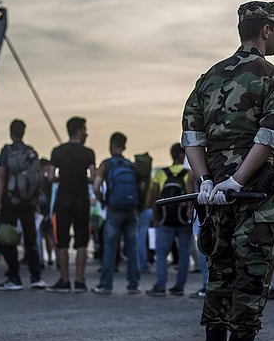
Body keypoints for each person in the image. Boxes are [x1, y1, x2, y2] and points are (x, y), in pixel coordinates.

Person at [182, 0, 274, 341]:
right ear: (265, 30)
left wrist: (207, 181)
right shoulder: (273, 77)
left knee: (220, 268)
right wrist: (237, 181)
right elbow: (268, 137)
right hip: (253, 194)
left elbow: (191, 137)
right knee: (252, 272)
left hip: (215, 196)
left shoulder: (208, 78)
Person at [0, 119, 47, 291]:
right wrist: (36, 200)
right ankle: (36, 277)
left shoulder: (6, 151)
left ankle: (14, 277)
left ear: (11, 132)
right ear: (24, 132)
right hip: (29, 202)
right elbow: (37, 178)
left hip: (10, 200)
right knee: (30, 239)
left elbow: (2, 177)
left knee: (7, 237)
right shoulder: (31, 152)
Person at [46, 117, 96, 293]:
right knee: (82, 241)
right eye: (84, 129)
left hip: (63, 199)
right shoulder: (88, 153)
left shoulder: (57, 151)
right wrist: (81, 177)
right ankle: (80, 280)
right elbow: (93, 177)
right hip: (81, 199)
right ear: (78, 131)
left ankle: (65, 280)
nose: (86, 133)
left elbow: (51, 177)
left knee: (62, 241)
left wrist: (64, 177)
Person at [90, 132, 141, 295]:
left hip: (114, 209)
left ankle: (106, 284)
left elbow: (96, 187)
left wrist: (102, 201)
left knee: (110, 247)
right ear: (124, 146)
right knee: (132, 247)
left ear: (111, 144)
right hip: (131, 209)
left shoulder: (106, 165)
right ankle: (133, 285)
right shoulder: (130, 165)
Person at [146, 143, 193, 297]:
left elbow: (153, 197)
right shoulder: (188, 173)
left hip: (165, 220)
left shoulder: (161, 173)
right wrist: (189, 211)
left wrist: (156, 218)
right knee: (184, 252)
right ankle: (179, 287)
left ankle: (160, 286)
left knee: (161, 253)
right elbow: (190, 194)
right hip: (183, 219)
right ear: (181, 155)